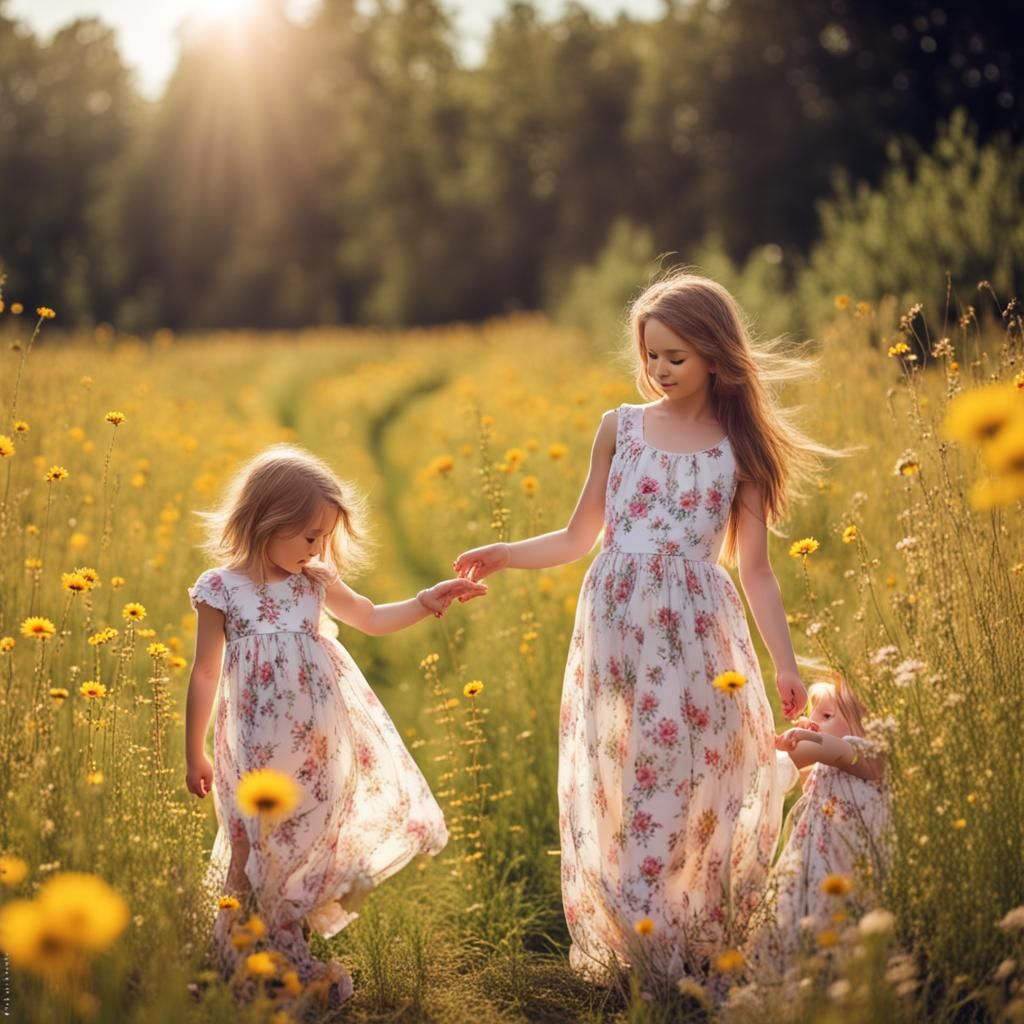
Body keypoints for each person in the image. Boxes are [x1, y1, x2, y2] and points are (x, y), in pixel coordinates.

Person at [454, 270, 837, 983]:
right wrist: (505, 553)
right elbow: (578, 537)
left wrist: (783, 664)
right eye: (651, 355)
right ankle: (638, 941)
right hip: (616, 630)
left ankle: (688, 929)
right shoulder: (619, 428)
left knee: (698, 773)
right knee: (623, 773)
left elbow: (755, 570)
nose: (659, 370)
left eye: (675, 357)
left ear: (716, 359)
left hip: (697, 633)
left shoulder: (738, 450)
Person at [184, 443, 486, 1004]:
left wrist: (426, 600)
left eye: (323, 536)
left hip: (315, 745)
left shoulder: (314, 580)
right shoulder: (221, 590)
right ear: (264, 522)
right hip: (249, 746)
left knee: (301, 842)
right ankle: (230, 955)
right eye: (308, 535)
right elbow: (204, 674)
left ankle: (282, 944)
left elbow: (369, 618)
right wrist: (194, 751)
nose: (318, 547)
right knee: (250, 844)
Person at [748, 670, 888, 970]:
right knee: (802, 917)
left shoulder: (865, 755)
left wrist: (806, 738)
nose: (814, 720)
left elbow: (832, 749)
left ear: (865, 723)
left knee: (844, 921)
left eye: (826, 714)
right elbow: (813, 769)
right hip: (815, 865)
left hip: (848, 866)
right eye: (813, 714)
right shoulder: (832, 765)